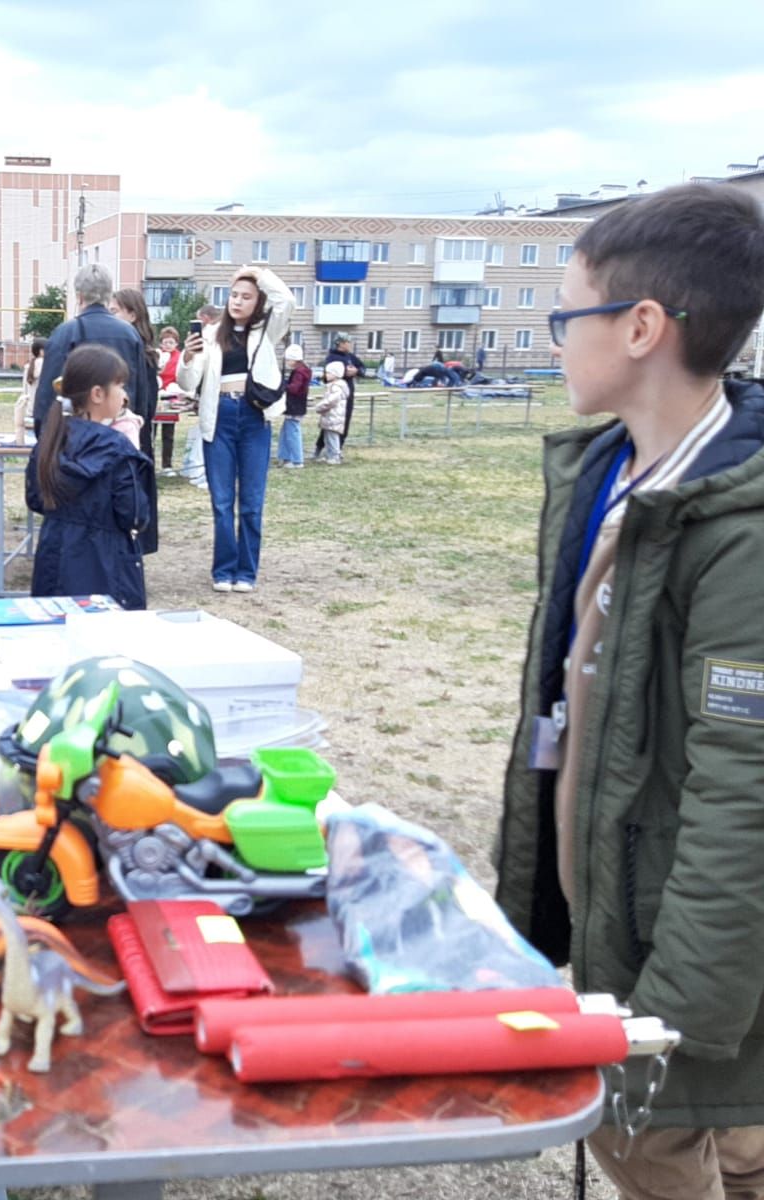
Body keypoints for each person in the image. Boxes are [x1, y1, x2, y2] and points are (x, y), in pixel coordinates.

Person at [492, 183, 764, 1200]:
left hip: (682, 949)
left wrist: (674, 1015)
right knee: (727, 1133)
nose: (555, 339)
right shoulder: (608, 466)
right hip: (611, 896)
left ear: (642, 327)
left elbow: (740, 793)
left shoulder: (739, 529)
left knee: (654, 1137)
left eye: (566, 317)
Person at [177, 265, 294, 593]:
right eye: (233, 295)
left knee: (253, 501)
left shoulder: (267, 331)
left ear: (258, 302)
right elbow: (187, 383)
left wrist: (255, 273)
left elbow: (286, 300)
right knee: (222, 500)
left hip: (255, 417)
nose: (237, 301)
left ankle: (247, 572)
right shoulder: (212, 334)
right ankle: (223, 570)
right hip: (221, 417)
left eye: (246, 296)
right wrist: (187, 357)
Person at [34, 265, 157, 553]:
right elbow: (141, 393)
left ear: (78, 295)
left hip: (75, 441)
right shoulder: (129, 335)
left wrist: (46, 439)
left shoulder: (65, 333)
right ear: (108, 294)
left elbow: (47, 398)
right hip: (120, 438)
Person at [26, 344, 151, 610]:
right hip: (105, 563)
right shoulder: (118, 448)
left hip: (53, 555)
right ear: (97, 393)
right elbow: (135, 514)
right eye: (120, 386)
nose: (124, 395)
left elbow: (36, 499)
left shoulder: (50, 439)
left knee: (55, 634)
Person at [108, 288, 162, 547]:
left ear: (132, 314)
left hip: (134, 438)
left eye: (114, 311)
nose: (110, 317)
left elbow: (147, 405)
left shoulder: (143, 355)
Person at [318, 334, 365, 454]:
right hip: (335, 393)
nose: (350, 344)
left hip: (347, 393)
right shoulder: (332, 358)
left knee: (345, 420)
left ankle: (339, 447)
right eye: (348, 342)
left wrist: (356, 371)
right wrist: (344, 373)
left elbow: (362, 368)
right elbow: (326, 376)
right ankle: (321, 447)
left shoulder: (350, 356)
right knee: (331, 422)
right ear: (341, 343)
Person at [276, 344, 310, 468]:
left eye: (289, 360)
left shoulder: (299, 373)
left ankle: (297, 459)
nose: (287, 362)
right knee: (287, 431)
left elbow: (294, 389)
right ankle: (286, 457)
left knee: (292, 432)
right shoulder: (304, 370)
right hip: (297, 405)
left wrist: (284, 386)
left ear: (294, 359)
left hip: (294, 406)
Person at [157, 326, 183, 471]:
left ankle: (167, 465)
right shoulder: (156, 355)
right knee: (151, 432)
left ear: (176, 343)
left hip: (171, 396)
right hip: (156, 395)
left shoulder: (179, 357)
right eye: (165, 342)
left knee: (168, 433)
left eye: (171, 342)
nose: (167, 345)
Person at [313, 360, 348, 464]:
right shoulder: (333, 385)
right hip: (330, 416)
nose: (326, 375)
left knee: (332, 437)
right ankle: (329, 454)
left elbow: (331, 400)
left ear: (336, 374)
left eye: (328, 373)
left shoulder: (337, 387)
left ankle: (335, 455)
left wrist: (320, 406)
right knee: (327, 436)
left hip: (334, 416)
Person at [13, 337, 46, 444]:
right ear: (41, 351)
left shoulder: (29, 366)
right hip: (42, 410)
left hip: (29, 410)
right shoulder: (46, 364)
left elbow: (24, 389)